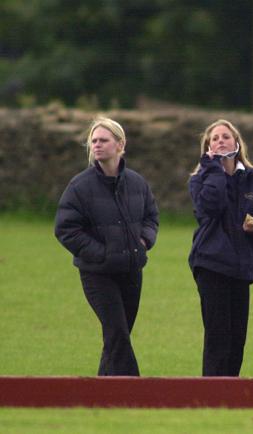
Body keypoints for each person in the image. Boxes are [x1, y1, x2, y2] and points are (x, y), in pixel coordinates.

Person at [55, 117, 159, 376]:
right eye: (94, 141)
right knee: (117, 334)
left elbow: (151, 217)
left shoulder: (137, 183)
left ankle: (101, 393)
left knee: (116, 339)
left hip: (132, 272)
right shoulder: (79, 186)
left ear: (120, 144)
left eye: (103, 140)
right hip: (97, 274)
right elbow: (66, 229)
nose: (97, 145)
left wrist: (144, 241)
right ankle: (135, 391)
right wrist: (101, 254)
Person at [188, 119, 253, 377]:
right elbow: (210, 207)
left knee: (236, 341)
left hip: (241, 270)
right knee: (218, 338)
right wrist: (215, 170)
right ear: (208, 147)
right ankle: (211, 394)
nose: (220, 141)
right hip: (211, 265)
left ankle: (230, 394)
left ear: (237, 143)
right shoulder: (201, 180)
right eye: (214, 138)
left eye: (225, 137)